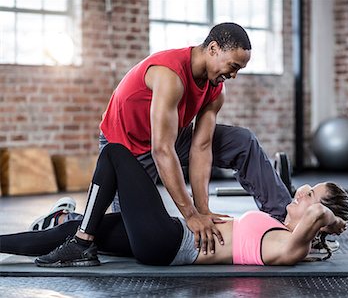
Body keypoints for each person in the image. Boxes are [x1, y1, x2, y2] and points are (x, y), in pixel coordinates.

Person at [62, 22, 293, 254]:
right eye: (233, 66)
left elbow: (201, 147)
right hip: (127, 147)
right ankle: (63, 220)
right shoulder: (169, 74)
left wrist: (203, 212)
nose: (233, 75)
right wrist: (190, 215)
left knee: (243, 142)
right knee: (130, 234)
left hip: (170, 136)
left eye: (238, 70)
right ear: (213, 49)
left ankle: (286, 219)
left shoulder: (216, 89)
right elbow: (161, 150)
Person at [0, 143, 348, 267]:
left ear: (321, 220)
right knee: (76, 229)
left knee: (115, 153)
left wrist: (330, 219)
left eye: (310, 193)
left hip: (168, 242)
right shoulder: (287, 234)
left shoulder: (289, 248)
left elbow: (320, 212)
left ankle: (82, 243)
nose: (302, 192)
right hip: (168, 236)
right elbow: (316, 211)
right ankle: (80, 239)